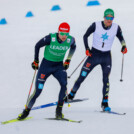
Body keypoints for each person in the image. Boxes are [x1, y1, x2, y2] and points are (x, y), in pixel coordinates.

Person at [65, 9, 127, 111]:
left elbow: (121, 38)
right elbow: (85, 36)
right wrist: (87, 48)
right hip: (93, 55)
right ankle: (71, 94)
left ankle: (105, 103)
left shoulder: (116, 27)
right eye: (107, 17)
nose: (109, 20)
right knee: (82, 76)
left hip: (106, 57)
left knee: (106, 80)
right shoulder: (96, 25)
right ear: (104, 17)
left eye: (111, 18)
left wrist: (124, 46)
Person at [17, 22, 76, 120]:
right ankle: (26, 111)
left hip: (58, 66)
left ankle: (58, 112)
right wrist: (36, 61)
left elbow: (73, 47)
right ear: (58, 31)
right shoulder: (50, 38)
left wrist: (68, 60)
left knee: (64, 84)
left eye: (66, 34)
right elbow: (37, 45)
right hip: (46, 66)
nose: (64, 36)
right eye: (62, 33)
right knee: (38, 91)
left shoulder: (71, 40)